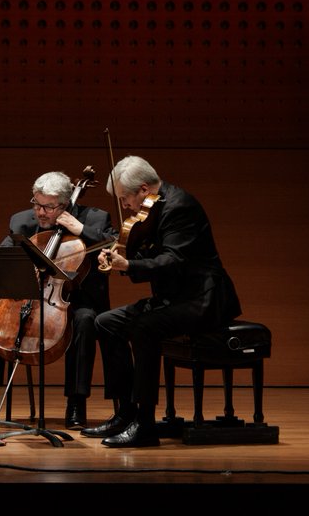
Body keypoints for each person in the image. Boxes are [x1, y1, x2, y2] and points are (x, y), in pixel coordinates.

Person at [85, 155, 241, 447]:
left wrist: (129, 265)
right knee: (105, 323)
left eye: (124, 198)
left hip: (202, 299)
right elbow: (151, 254)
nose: (124, 207)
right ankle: (125, 413)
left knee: (144, 327)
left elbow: (173, 260)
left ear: (143, 189)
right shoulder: (151, 208)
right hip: (174, 297)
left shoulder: (180, 207)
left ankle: (144, 425)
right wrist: (122, 258)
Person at [0, 171, 118, 430]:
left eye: (49, 207)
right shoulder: (22, 222)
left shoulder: (95, 219)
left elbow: (116, 244)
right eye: (36, 204)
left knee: (85, 321)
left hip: (76, 300)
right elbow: (1, 257)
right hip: (31, 299)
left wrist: (80, 230)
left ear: (65, 205)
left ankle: (76, 403)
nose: (40, 213)